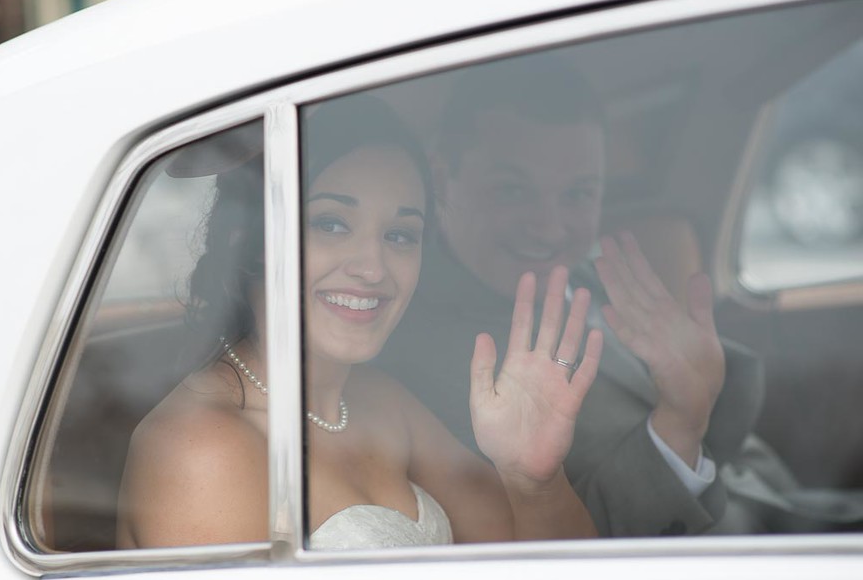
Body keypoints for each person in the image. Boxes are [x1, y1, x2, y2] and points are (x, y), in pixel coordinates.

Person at [377, 54, 863, 537]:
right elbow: (570, 541)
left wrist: (701, 380)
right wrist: (680, 420)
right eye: (512, 190)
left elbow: (725, 441)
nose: (550, 228)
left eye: (579, 194)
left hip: (790, 505)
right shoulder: (415, 354)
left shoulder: (592, 275)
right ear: (441, 179)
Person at [115, 96, 603, 551]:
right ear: (253, 241)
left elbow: (542, 559)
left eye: (399, 234)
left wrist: (533, 480)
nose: (373, 268)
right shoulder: (201, 449)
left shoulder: (381, 402)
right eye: (330, 224)